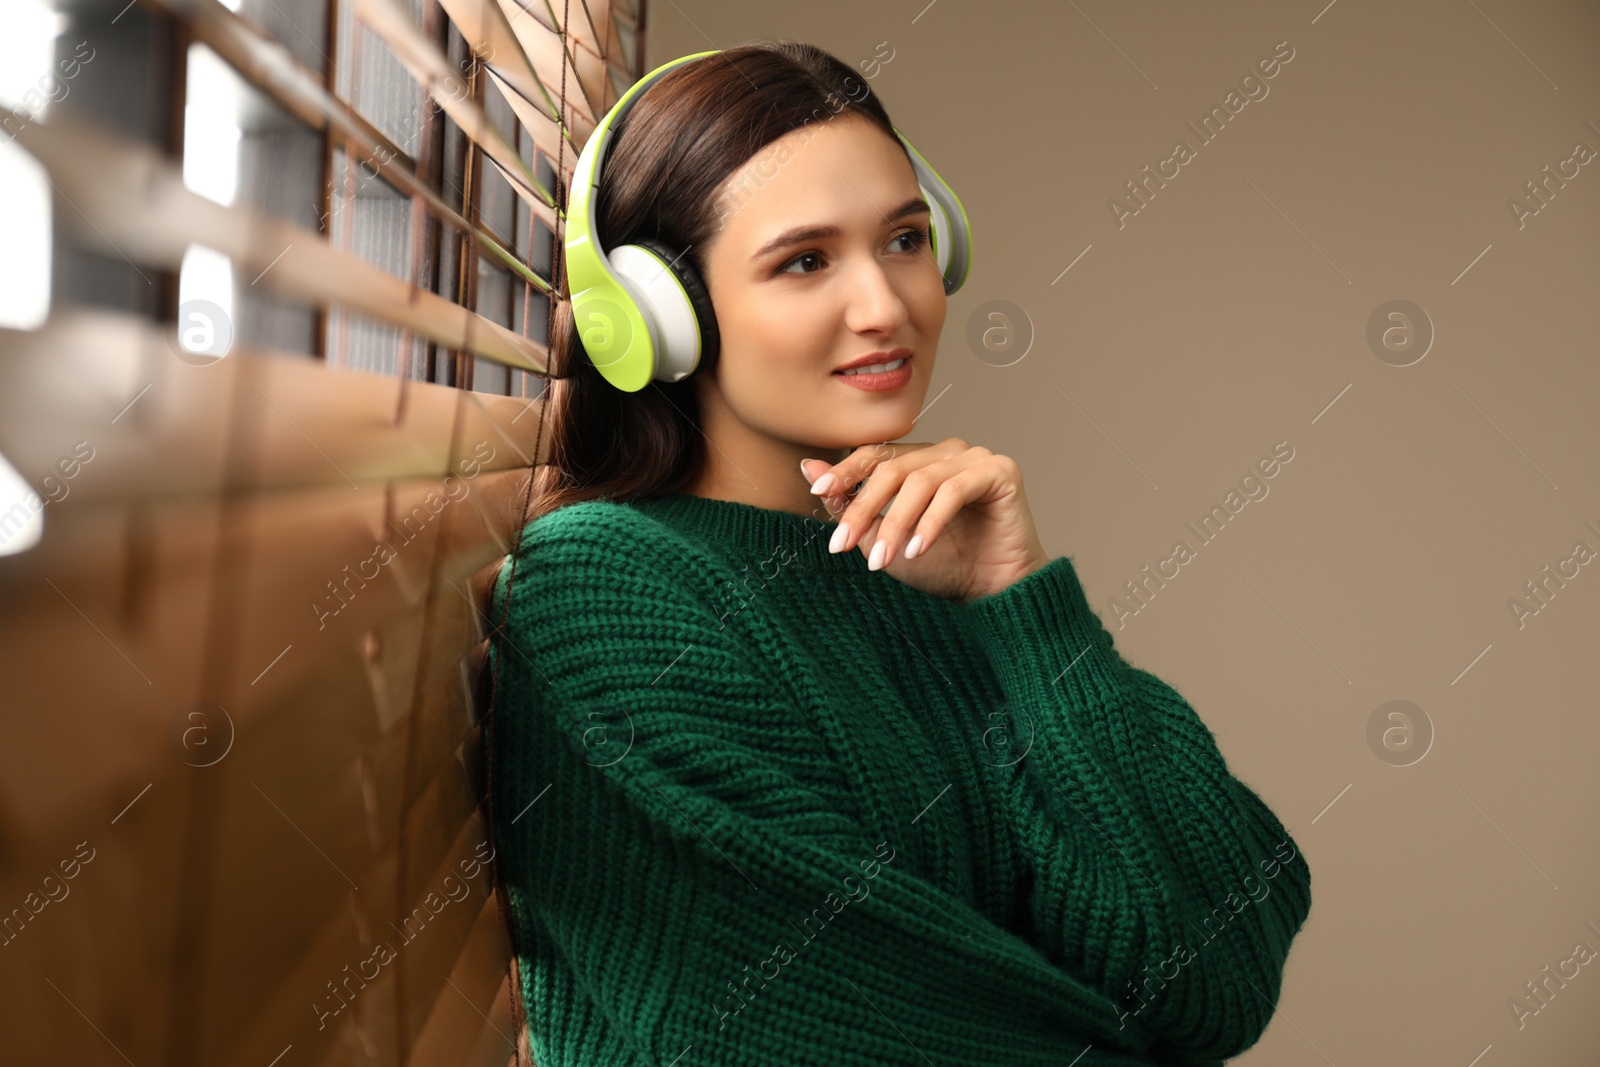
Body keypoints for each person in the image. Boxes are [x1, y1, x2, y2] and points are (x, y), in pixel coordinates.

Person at [480, 40, 1312, 1067]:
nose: (887, 305)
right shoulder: (602, 589)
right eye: (804, 260)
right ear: (661, 314)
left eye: (906, 239)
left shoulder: (941, 571)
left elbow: (1212, 976)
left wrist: (1023, 599)